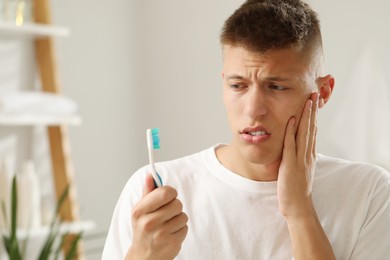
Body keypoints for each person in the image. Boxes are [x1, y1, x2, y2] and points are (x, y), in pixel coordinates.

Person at [102, 0, 390, 259]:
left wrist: (300, 212)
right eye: (238, 85)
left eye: (276, 86)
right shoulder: (156, 191)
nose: (253, 109)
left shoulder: (369, 193)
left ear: (323, 92)